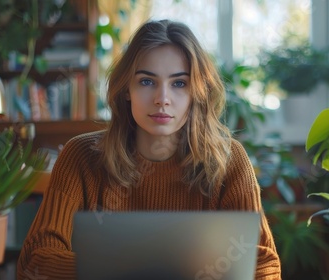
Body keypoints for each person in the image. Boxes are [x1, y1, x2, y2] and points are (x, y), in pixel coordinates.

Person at [17, 19, 281, 279]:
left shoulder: (228, 160)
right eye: (146, 81)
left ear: (196, 93)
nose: (162, 99)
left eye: (179, 83)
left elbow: (263, 264)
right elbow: (35, 262)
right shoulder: (80, 156)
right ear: (127, 89)